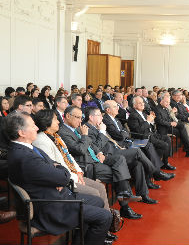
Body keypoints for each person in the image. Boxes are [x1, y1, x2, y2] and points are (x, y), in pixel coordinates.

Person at [4, 112, 112, 245]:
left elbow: (57, 166)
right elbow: (63, 176)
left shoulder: (25, 148)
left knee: (98, 201)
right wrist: (59, 172)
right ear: (21, 132)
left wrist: (57, 170)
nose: (37, 128)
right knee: (105, 216)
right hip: (51, 207)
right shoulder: (26, 157)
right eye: (32, 126)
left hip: (54, 196)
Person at [58, 106, 143, 219]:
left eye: (80, 117)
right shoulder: (63, 132)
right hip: (88, 164)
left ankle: (125, 200)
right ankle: (125, 205)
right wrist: (84, 136)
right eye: (77, 117)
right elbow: (80, 149)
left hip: (97, 157)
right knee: (118, 172)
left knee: (120, 160)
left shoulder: (77, 128)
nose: (80, 120)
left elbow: (92, 145)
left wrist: (99, 152)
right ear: (67, 116)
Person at [128, 96, 176, 170]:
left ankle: (165, 163)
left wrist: (152, 121)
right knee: (165, 145)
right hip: (144, 137)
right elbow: (138, 130)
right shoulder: (133, 115)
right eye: (139, 103)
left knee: (167, 138)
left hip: (152, 134)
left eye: (142, 102)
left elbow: (150, 126)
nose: (142, 104)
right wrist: (148, 121)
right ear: (134, 106)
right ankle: (158, 165)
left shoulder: (143, 113)